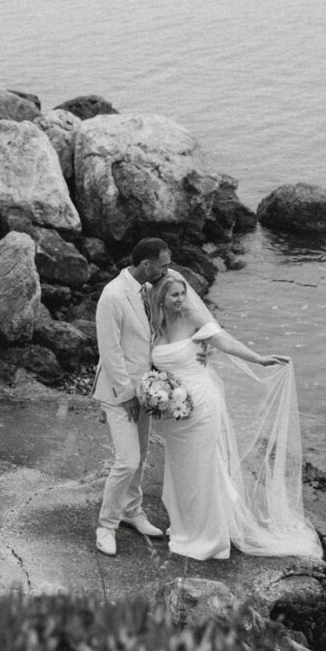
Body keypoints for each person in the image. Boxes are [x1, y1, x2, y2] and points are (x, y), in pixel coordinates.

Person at [149, 275, 322, 562]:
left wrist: (259, 359)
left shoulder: (192, 318)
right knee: (182, 467)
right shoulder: (154, 325)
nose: (181, 299)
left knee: (204, 465)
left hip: (202, 404)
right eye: (174, 295)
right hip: (173, 410)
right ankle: (187, 524)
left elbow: (223, 341)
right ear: (161, 299)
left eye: (182, 293)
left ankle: (210, 534)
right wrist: (153, 391)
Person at [92, 236, 209, 556]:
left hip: (147, 389)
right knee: (127, 460)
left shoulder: (146, 290)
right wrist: (127, 393)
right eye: (163, 265)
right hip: (118, 392)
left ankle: (132, 511)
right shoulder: (113, 296)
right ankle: (106, 525)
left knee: (141, 455)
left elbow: (155, 334)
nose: (167, 271)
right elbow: (110, 350)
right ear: (146, 264)